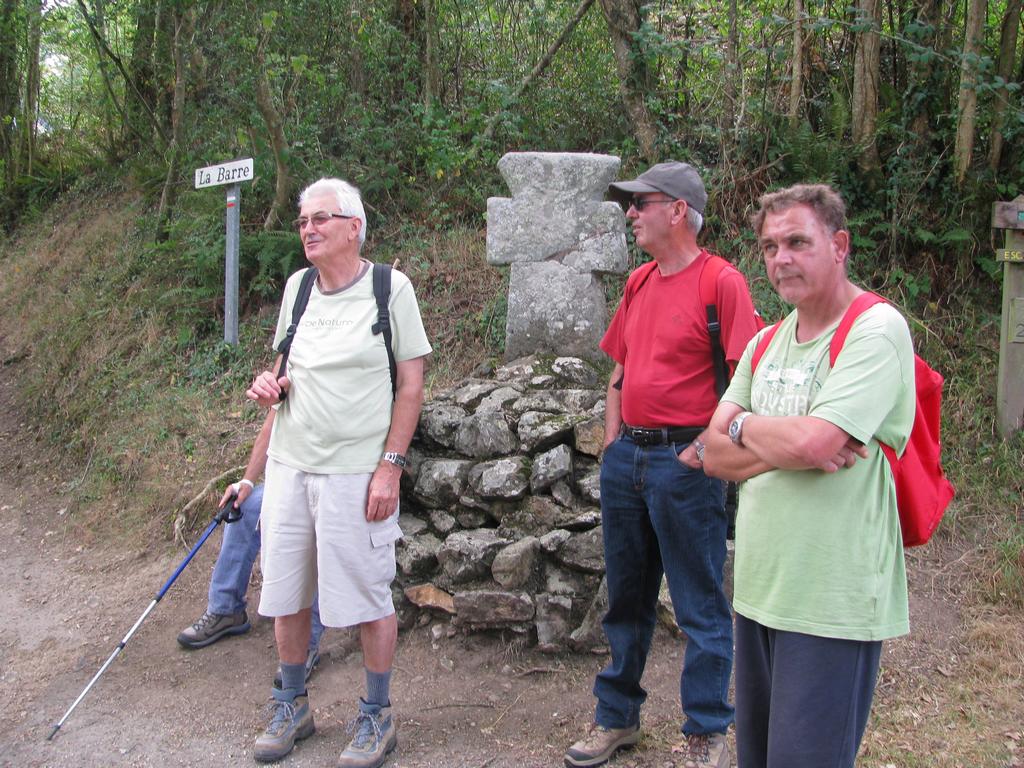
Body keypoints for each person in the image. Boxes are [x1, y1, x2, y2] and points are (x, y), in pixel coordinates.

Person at [702, 184, 914, 768]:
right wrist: (786, 441)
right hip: (760, 591)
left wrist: (747, 426)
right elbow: (711, 454)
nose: (780, 259)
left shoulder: (876, 330)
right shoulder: (766, 341)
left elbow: (818, 441)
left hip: (831, 599)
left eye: (797, 241)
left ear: (839, 244)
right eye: (769, 246)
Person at [565, 162, 761, 768]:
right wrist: (612, 441)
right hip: (629, 461)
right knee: (625, 597)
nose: (630, 214)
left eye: (640, 203)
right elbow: (619, 368)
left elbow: (748, 382)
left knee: (700, 601)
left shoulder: (721, 284)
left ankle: (706, 730)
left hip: (687, 464)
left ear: (677, 210)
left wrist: (703, 450)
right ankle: (616, 718)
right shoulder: (638, 282)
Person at [246, 177, 431, 767]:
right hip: (290, 468)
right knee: (286, 592)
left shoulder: (389, 288)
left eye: (321, 218)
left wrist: (390, 468)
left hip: (356, 472)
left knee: (368, 596)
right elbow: (283, 376)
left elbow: (411, 386)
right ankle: (292, 702)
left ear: (354, 227)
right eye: (303, 220)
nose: (309, 229)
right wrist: (267, 388)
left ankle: (377, 715)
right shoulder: (297, 289)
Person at [176, 411, 323, 684]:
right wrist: (247, 480)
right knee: (245, 506)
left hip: (334, 480)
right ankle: (226, 609)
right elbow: (274, 422)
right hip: (290, 477)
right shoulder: (292, 369)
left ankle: (307, 643)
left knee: (311, 532)